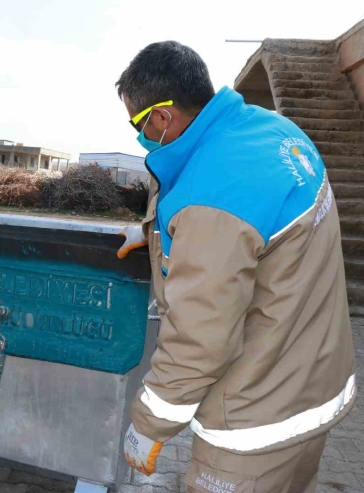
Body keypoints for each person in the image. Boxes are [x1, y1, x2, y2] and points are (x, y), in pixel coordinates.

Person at [116, 41, 355, 492]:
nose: (142, 136)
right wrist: (151, 234)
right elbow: (260, 240)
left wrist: (150, 423)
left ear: (163, 117)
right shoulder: (272, 133)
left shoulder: (212, 195)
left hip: (255, 420)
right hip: (312, 382)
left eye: (140, 124)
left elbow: (200, 338)